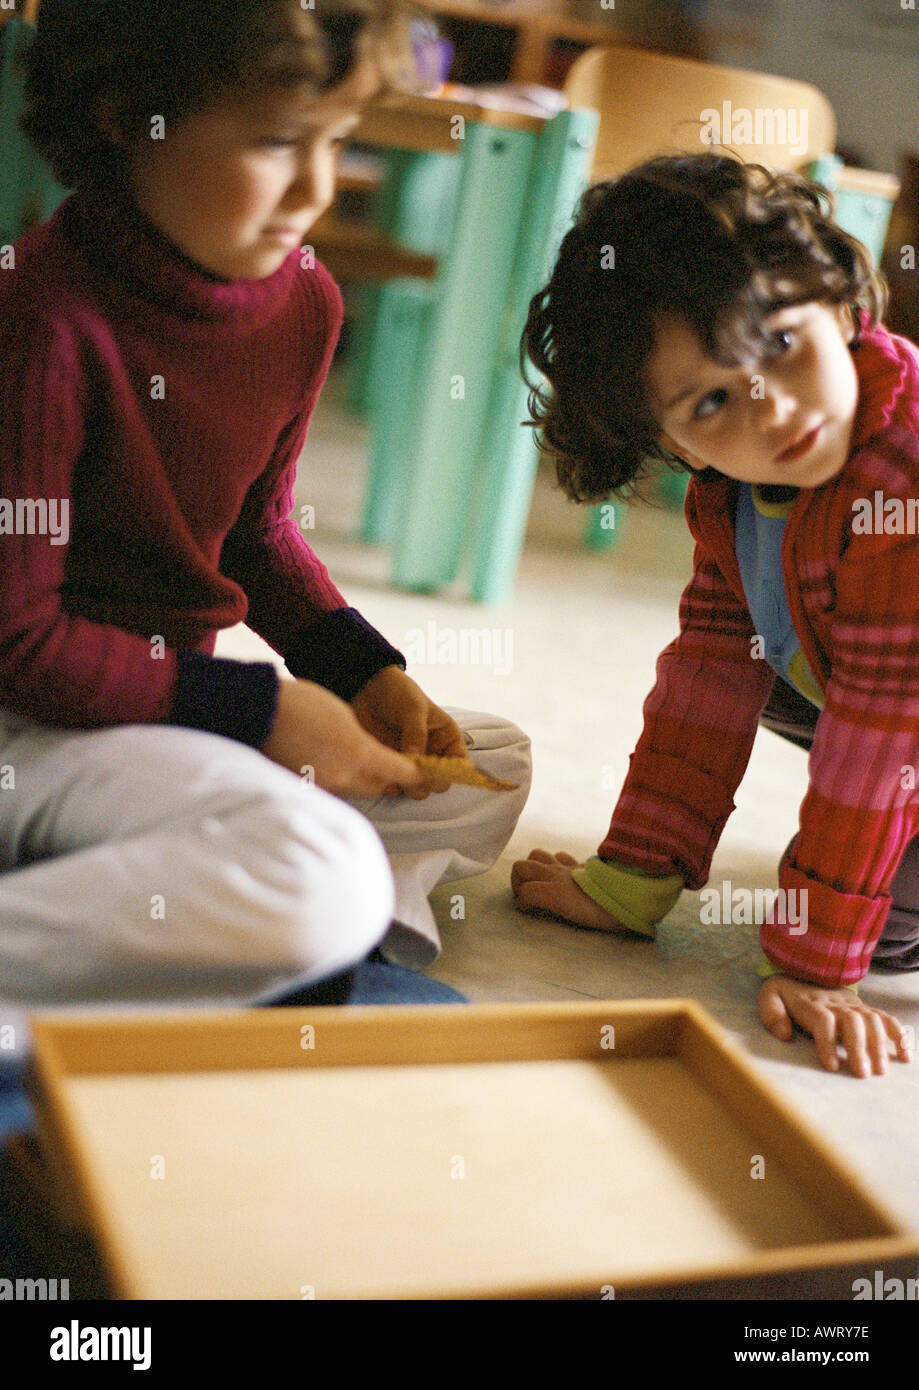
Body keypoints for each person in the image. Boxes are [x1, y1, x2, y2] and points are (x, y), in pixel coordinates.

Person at [0, 0, 530, 1011]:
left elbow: (259, 534)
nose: (318, 187)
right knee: (317, 869)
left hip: (146, 715)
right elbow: (20, 643)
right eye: (280, 141)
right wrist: (265, 708)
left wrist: (360, 669)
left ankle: (212, 930)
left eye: (338, 140)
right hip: (25, 727)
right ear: (128, 116)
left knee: (490, 765)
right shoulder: (40, 321)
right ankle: (266, 939)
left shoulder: (306, 300)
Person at [514, 151, 918, 1078]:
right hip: (881, 691)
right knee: (745, 658)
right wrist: (629, 879)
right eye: (709, 401)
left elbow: (886, 732)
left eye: (779, 341)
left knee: (883, 933)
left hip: (900, 710)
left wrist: (820, 963)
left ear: (835, 296)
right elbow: (707, 678)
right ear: (662, 443)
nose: (772, 409)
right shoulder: (730, 492)